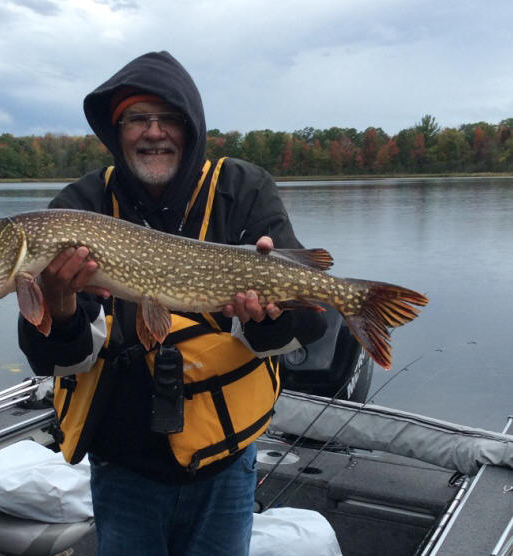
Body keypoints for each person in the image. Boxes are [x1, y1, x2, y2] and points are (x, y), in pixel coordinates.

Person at [18, 51, 326, 556]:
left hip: (226, 464)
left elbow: (304, 330)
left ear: (191, 126)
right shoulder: (78, 208)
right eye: (137, 119)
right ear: (116, 131)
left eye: (168, 119)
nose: (153, 132)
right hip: (124, 465)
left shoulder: (243, 189)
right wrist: (61, 304)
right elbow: (58, 360)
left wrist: (273, 316)